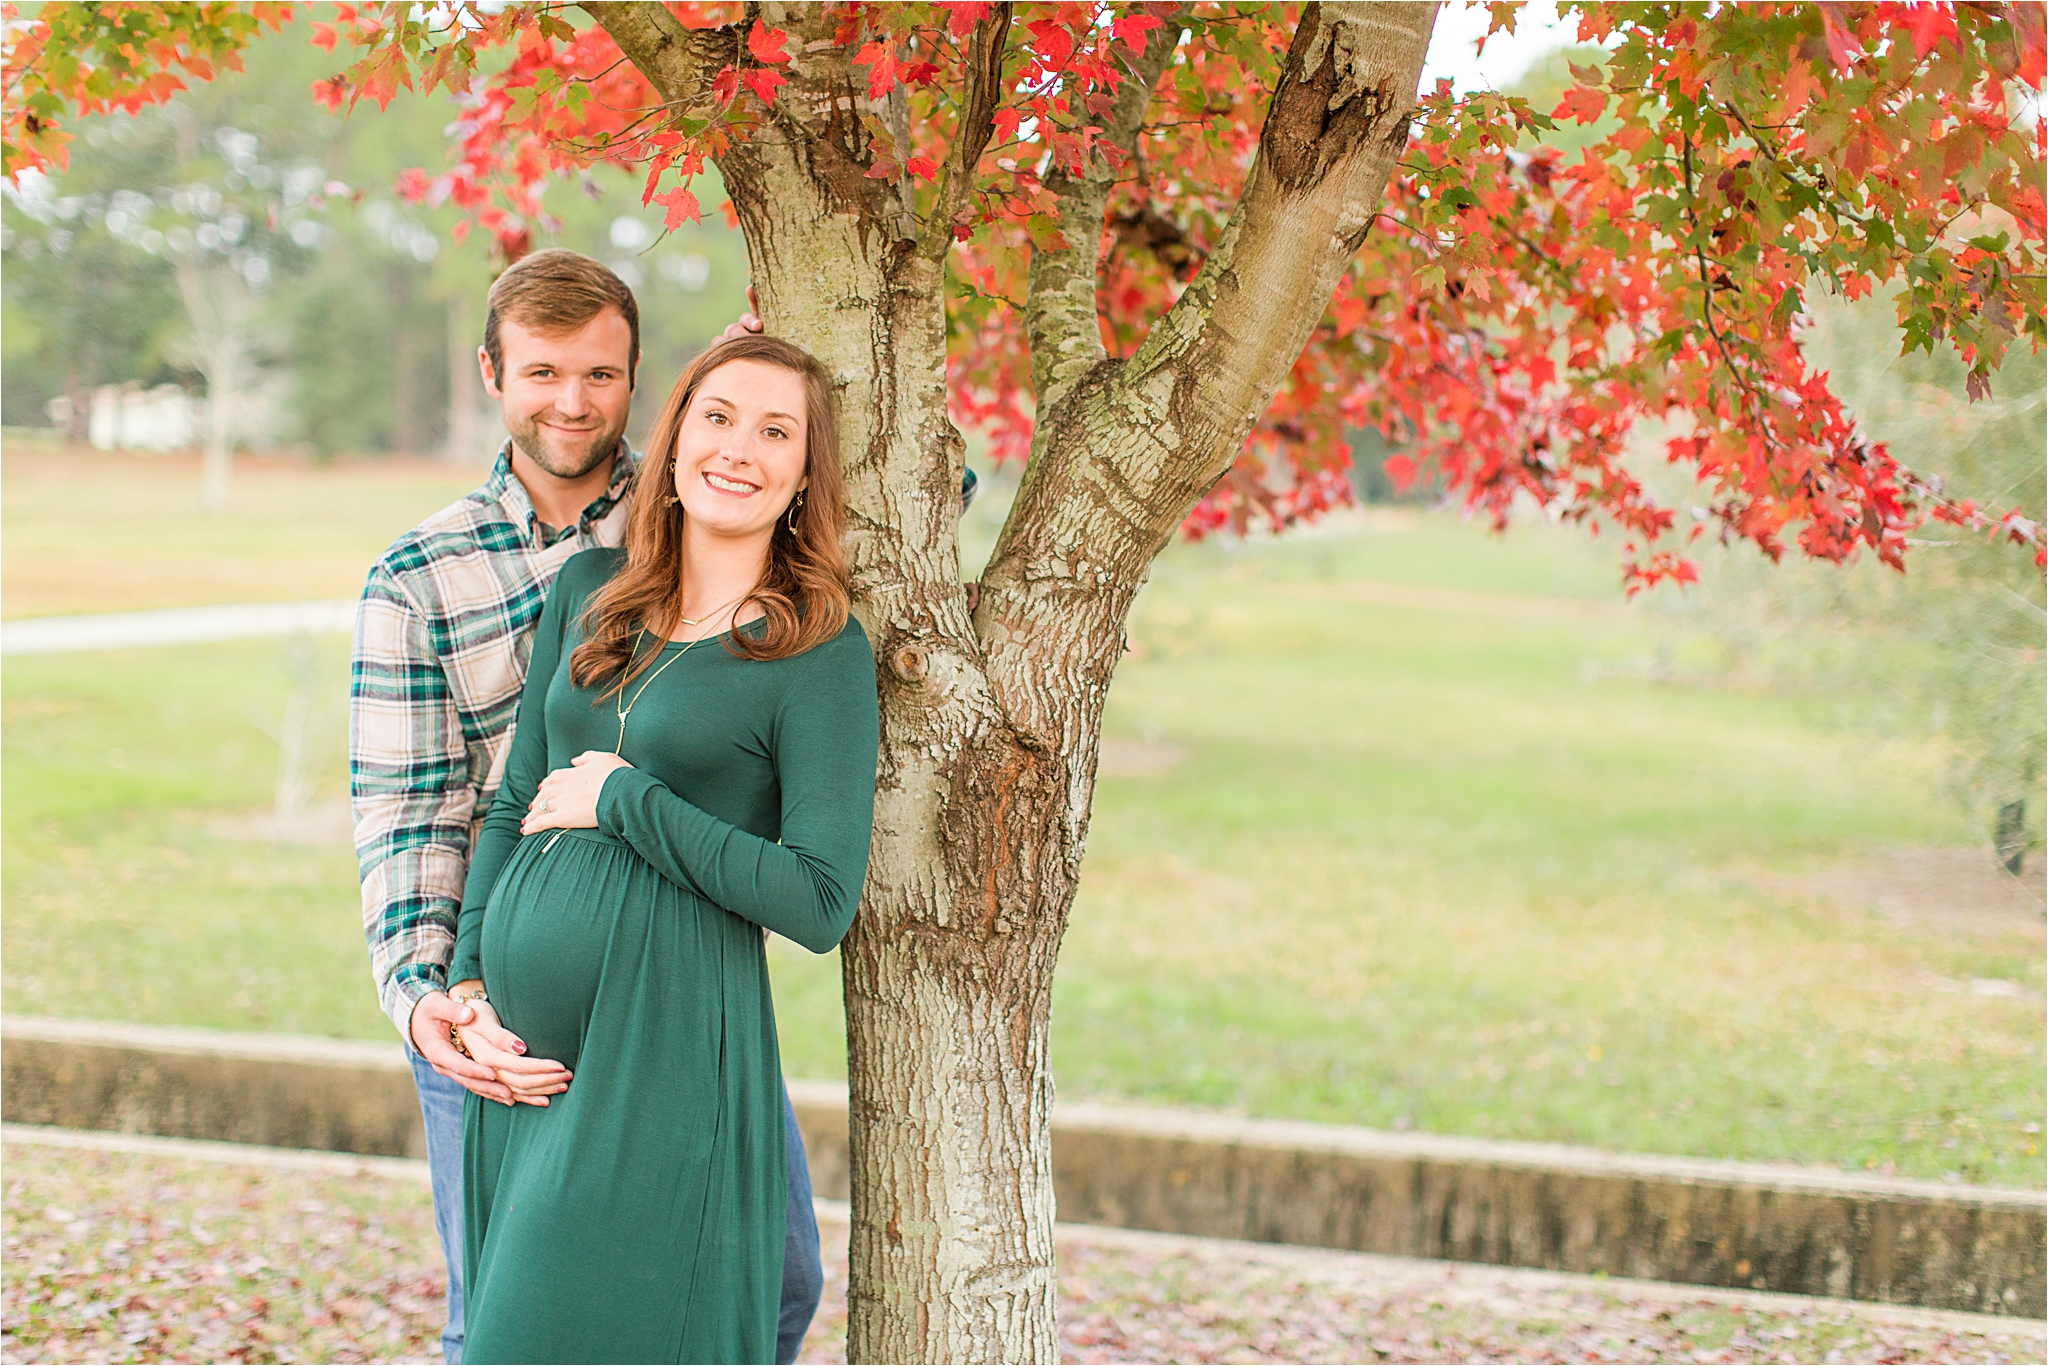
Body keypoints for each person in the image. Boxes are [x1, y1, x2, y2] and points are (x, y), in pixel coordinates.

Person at [349, 250, 830, 1365]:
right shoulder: (419, 576)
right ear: (491, 375)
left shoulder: (691, 488)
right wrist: (432, 996)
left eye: (601, 374)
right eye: (543, 372)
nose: (572, 401)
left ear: (635, 381)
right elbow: (411, 810)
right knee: (505, 1312)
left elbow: (831, 499)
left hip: (671, 983)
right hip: (498, 1002)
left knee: (771, 1286)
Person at [445, 333, 879, 1363]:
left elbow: (820, 899)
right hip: (527, 1060)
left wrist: (629, 801)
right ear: (677, 437)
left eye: (776, 431)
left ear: (804, 473)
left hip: (668, 1046)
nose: (738, 448)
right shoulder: (589, 589)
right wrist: (469, 988)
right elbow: (513, 805)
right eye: (717, 416)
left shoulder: (817, 648)